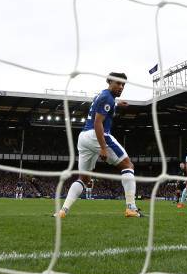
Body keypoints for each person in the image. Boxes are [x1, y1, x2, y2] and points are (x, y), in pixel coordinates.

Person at [54, 72, 143, 218]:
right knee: (128, 166)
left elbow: (104, 106)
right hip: (97, 134)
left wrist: (118, 104)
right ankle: (131, 208)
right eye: (118, 83)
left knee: (84, 179)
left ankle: (63, 211)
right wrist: (102, 147)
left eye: (123, 84)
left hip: (83, 138)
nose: (121, 87)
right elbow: (98, 123)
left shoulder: (102, 96)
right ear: (109, 82)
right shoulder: (107, 98)